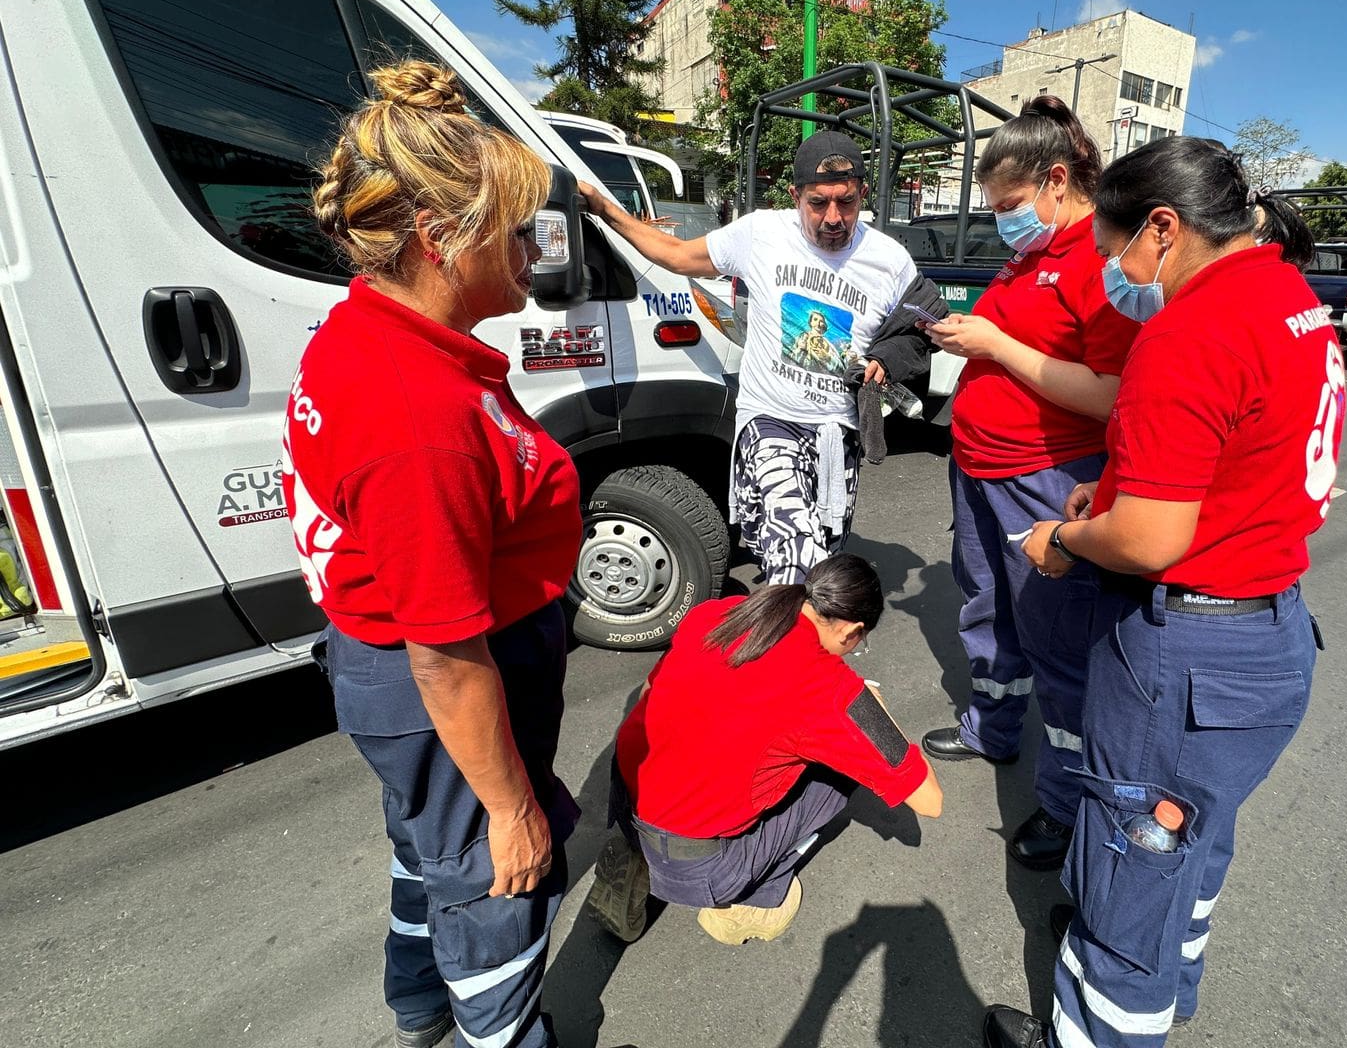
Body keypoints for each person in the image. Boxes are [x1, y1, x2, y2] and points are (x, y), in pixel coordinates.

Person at [981, 137, 1344, 1048]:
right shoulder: (1289, 297)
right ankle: (1172, 978)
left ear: (1163, 228)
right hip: (1268, 632)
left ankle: (1105, 1022)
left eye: (1115, 253)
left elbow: (1148, 539)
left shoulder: (1189, 330)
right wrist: (1107, 493)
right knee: (1194, 843)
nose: (1114, 274)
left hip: (1189, 650)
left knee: (1129, 868)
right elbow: (1235, 454)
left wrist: (1064, 538)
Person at [285, 61, 582, 1048]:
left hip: (398, 672)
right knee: (497, 887)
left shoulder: (379, 337)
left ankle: (418, 1009)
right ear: (438, 239)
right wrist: (510, 807)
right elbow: (446, 652)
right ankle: (499, 1029)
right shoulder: (416, 415)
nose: (533, 251)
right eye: (515, 228)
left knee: (427, 857)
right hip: (445, 678)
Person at [916, 96, 1139, 871]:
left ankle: (1067, 802)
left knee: (1058, 638)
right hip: (980, 465)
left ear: (1055, 181)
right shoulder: (1029, 255)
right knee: (988, 608)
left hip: (1045, 479)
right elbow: (1014, 343)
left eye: (1008, 205)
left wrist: (995, 344)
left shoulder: (1102, 264)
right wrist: (965, 338)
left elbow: (1112, 393)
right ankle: (994, 728)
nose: (1001, 219)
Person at [579, 132, 927, 584]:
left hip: (838, 430)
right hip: (771, 419)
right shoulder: (761, 233)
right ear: (795, 195)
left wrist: (889, 356)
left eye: (847, 202)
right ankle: (783, 643)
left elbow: (918, 328)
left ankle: (790, 637)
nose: (834, 218)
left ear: (862, 193)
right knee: (796, 557)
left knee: (824, 556)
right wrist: (606, 209)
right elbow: (678, 256)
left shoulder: (890, 260)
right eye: (818, 203)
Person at [585, 554, 943, 945]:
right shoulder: (830, 689)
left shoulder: (727, 612)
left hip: (628, 796)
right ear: (852, 630)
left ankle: (636, 857)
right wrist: (874, 715)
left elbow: (649, 692)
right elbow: (929, 801)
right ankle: (747, 903)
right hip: (698, 863)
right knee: (839, 774)